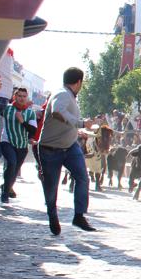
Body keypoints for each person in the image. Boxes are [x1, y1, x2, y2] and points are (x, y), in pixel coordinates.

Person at [38, 67, 96, 235]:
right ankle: (52, 213)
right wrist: (80, 123)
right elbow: (57, 112)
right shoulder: (62, 94)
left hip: (70, 147)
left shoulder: (70, 96)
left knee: (82, 177)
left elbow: (65, 122)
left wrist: (78, 131)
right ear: (79, 82)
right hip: (50, 149)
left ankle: (79, 215)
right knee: (51, 187)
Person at [0, 88, 36, 204]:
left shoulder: (30, 113)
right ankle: (5, 195)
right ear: (15, 97)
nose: (22, 98)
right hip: (7, 141)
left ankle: (6, 186)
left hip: (22, 145)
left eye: (24, 96)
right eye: (19, 96)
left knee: (14, 171)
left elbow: (33, 130)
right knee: (11, 163)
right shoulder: (7, 109)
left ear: (27, 98)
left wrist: (22, 121)